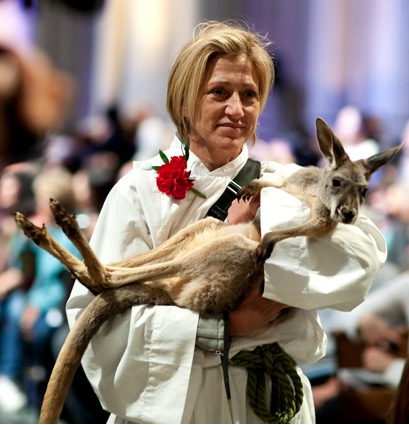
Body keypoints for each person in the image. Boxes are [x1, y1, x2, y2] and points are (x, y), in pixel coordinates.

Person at [66, 21, 387, 423]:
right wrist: (224, 326)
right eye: (219, 92)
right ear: (184, 100)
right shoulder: (138, 192)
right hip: (178, 407)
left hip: (268, 400)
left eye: (249, 95)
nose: (236, 109)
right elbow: (95, 313)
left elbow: (363, 257)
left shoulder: (283, 180)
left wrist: (273, 286)